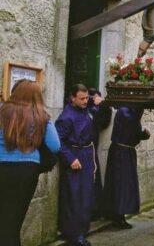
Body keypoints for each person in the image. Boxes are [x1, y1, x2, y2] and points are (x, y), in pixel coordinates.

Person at [0, 80, 61, 246]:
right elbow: (55, 146)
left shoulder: (2, 110)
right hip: (26, 171)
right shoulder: (41, 116)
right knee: (14, 222)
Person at [55, 84, 100, 246]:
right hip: (75, 157)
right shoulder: (66, 117)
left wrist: (97, 104)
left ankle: (82, 229)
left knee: (86, 194)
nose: (84, 101)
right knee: (75, 196)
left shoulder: (86, 109)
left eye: (86, 98)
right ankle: (74, 234)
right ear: (72, 98)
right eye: (81, 98)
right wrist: (70, 158)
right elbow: (58, 140)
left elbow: (94, 115)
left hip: (87, 155)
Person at [103, 106, 150, 229]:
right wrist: (143, 134)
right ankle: (118, 216)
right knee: (120, 185)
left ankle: (119, 215)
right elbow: (134, 131)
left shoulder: (130, 111)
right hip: (121, 153)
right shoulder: (125, 112)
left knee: (124, 184)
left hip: (125, 152)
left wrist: (143, 134)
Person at [85, 88, 111, 219]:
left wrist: (102, 104)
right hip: (81, 150)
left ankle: (95, 210)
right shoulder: (84, 111)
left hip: (92, 149)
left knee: (94, 180)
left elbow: (103, 122)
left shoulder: (97, 111)